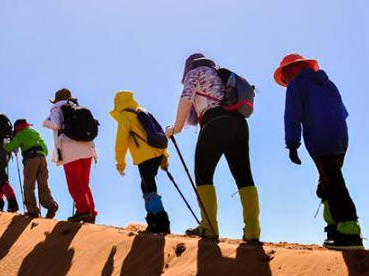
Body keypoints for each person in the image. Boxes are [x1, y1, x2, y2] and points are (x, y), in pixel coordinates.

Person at [165, 54, 261, 243]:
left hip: (215, 121)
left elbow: (186, 99)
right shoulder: (220, 75)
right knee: (243, 175)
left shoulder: (196, 72)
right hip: (239, 123)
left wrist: (175, 128)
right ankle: (253, 231)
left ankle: (208, 228)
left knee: (203, 173)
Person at [274, 53, 362, 250]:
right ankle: (333, 228)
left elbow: (292, 115)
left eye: (285, 75)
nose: (285, 80)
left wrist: (292, 144)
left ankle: (348, 231)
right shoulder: (328, 83)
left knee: (333, 182)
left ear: (290, 70)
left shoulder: (297, 84)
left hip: (320, 137)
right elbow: (343, 112)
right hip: (341, 137)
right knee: (326, 182)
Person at [110, 91, 172, 234]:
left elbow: (121, 142)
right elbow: (158, 133)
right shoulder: (143, 111)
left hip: (144, 156)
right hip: (157, 153)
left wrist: (120, 163)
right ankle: (152, 219)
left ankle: (160, 220)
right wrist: (164, 155)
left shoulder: (125, 115)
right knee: (146, 183)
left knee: (148, 184)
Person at [42, 88, 98, 222]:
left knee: (74, 182)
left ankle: (83, 211)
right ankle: (91, 212)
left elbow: (55, 124)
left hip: (70, 148)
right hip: (87, 148)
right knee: (84, 183)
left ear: (56, 100)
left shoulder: (56, 108)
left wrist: (45, 122)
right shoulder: (77, 107)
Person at [4, 119, 59, 218]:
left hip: (31, 159)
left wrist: (6, 142)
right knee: (43, 184)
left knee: (29, 186)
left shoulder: (20, 135)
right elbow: (45, 150)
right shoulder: (35, 132)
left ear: (18, 127)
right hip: (42, 159)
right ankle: (51, 204)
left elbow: (9, 147)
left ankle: (33, 211)